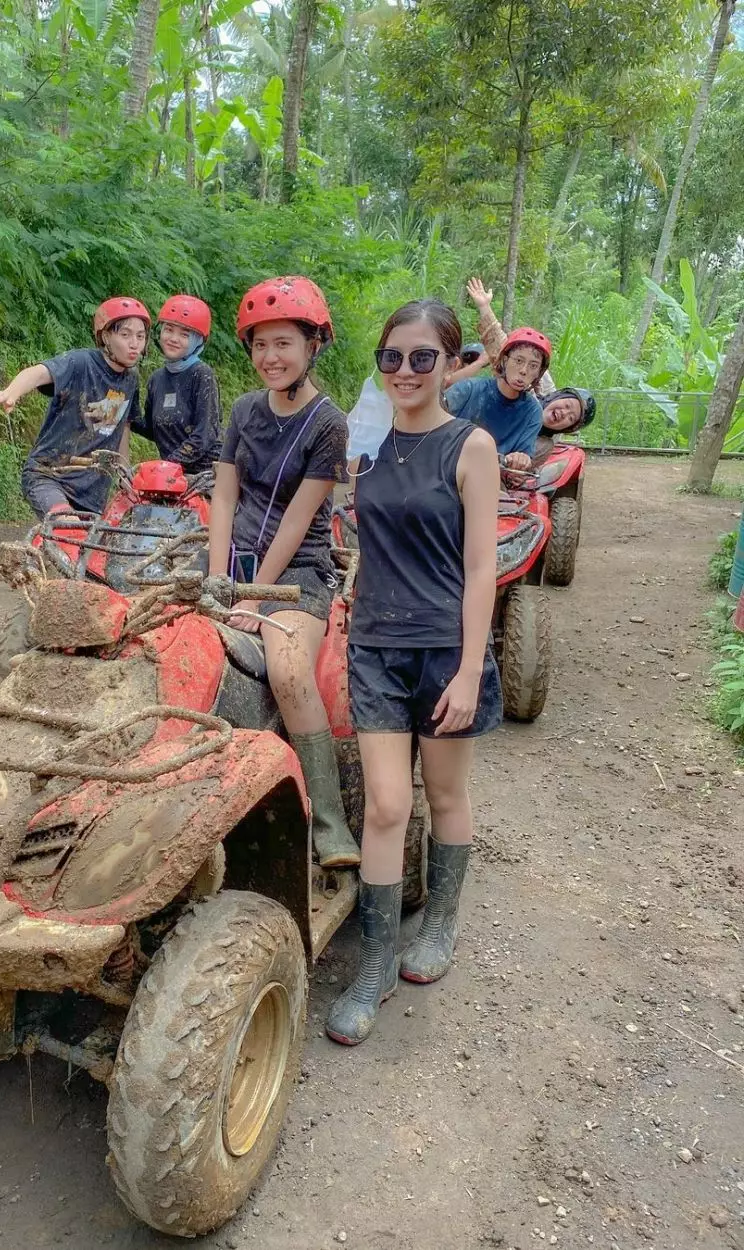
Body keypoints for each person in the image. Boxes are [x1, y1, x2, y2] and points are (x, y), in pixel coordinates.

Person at [326, 298, 502, 1046]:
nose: (405, 371)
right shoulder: (363, 441)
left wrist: (469, 671)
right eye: (391, 357)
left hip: (443, 649)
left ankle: (440, 925)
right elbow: (324, 508)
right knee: (387, 806)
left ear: (452, 364)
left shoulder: (471, 446)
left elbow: (482, 567)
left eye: (423, 357)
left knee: (445, 792)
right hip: (372, 645)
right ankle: (374, 964)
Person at [207, 276, 361, 870]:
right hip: (232, 563)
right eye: (259, 345)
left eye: (283, 344)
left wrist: (248, 595)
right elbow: (224, 498)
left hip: (298, 572)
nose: (269, 357)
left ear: (312, 346)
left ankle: (327, 820)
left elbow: (300, 518)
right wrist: (218, 578)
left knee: (289, 666)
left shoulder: (329, 423)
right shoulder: (243, 410)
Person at [0, 297, 150, 518]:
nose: (134, 343)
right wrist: (10, 393)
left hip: (92, 493)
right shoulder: (80, 362)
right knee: (67, 527)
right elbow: (37, 373)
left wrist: (125, 474)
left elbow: (122, 428)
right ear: (105, 336)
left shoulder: (130, 380)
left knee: (85, 549)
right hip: (49, 476)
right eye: (125, 335)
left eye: (140, 336)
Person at [132, 295, 222, 476]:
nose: (173, 338)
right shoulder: (156, 379)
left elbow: (204, 435)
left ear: (198, 340)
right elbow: (153, 430)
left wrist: (166, 466)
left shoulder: (202, 374)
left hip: (205, 475)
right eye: (169, 330)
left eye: (184, 334)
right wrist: (126, 404)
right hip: (172, 477)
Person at [444, 323, 552, 471]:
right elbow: (432, 422)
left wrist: (521, 459)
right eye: (518, 361)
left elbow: (524, 454)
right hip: (446, 465)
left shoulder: (533, 412)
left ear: (539, 373)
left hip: (492, 477)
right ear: (505, 360)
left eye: (533, 365)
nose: (523, 370)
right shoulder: (468, 389)